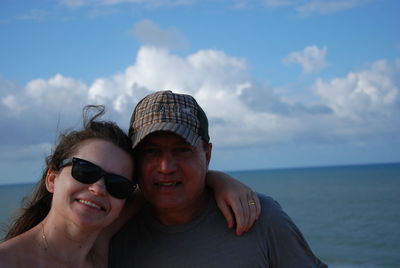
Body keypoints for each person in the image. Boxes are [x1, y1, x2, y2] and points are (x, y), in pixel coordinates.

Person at [0, 105, 260, 267]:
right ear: (52, 178)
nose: (99, 188)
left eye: (118, 184)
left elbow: (159, 187)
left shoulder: (100, 247)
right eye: (86, 171)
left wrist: (216, 179)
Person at [109, 90, 328, 267]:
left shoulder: (260, 218)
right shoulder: (112, 228)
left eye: (182, 150)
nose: (166, 167)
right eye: (151, 152)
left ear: (207, 155)